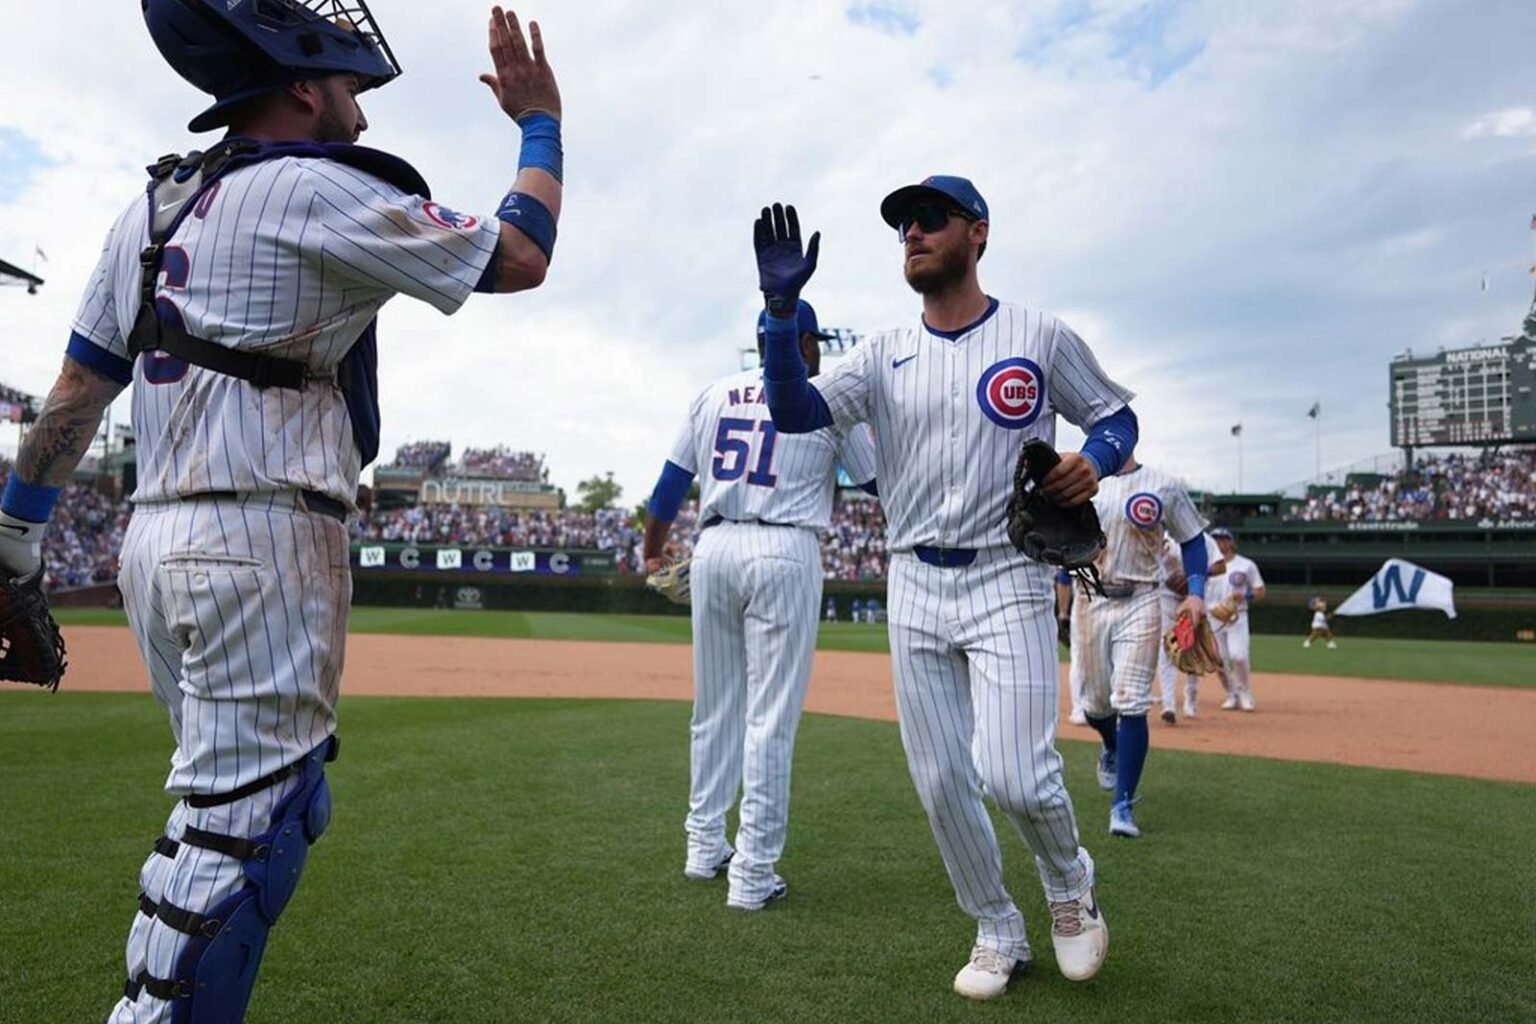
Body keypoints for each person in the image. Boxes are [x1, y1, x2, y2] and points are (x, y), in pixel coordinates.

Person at [0, 5, 563, 1021]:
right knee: (249, 836)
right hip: (258, 539)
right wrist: (540, 125)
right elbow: (520, 255)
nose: (356, 105)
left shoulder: (155, 205)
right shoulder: (314, 184)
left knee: (222, 820)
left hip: (153, 547)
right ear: (302, 87)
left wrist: (13, 547)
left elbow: (76, 397)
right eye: (345, 87)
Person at [756, 180, 1134, 1001]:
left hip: (1008, 570)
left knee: (1016, 774)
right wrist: (780, 317)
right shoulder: (883, 350)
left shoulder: (1038, 333)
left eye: (930, 219)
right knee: (939, 779)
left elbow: (1114, 419)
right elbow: (793, 412)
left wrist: (1093, 461)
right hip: (915, 578)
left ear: (978, 233)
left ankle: (1069, 883)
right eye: (903, 225)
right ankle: (997, 926)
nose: (913, 233)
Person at [643, 300, 877, 911]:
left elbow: (668, 487)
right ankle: (752, 874)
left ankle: (702, 847)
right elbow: (879, 482)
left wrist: (650, 553)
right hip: (784, 547)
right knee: (769, 718)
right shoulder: (827, 398)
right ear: (800, 344)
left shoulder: (713, 393)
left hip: (715, 544)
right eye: (815, 341)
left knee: (713, 708)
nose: (820, 350)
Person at [1059, 455, 1209, 839]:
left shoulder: (1163, 484)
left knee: (1132, 698)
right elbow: (1062, 542)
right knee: (1093, 704)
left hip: (1142, 596)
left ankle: (1123, 803)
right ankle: (1110, 743)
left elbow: (1192, 539)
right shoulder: (1079, 478)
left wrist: (1195, 593)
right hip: (1090, 597)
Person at [1155, 531, 1225, 721]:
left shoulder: (1201, 538)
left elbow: (1221, 566)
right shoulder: (1161, 535)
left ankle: (1191, 696)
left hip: (1194, 596)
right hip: (1167, 595)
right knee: (1167, 646)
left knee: (1193, 647)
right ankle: (1168, 704)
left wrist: (1197, 575)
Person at [1207, 527, 1267, 710]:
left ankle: (1245, 692)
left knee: (1239, 656)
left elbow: (1260, 590)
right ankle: (1231, 694)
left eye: (1224, 539)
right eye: (1216, 539)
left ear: (1231, 542)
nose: (1220, 543)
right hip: (1213, 616)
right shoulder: (1207, 564)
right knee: (1219, 660)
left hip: (1236, 616)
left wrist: (1246, 597)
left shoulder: (1245, 565)